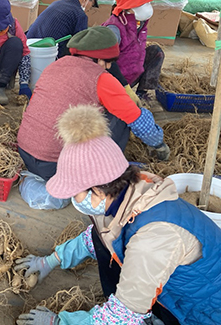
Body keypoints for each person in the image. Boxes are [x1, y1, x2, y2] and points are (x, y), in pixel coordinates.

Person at [15, 105, 221, 325]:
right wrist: (51, 261)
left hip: (200, 312)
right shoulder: (128, 190)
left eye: (75, 194)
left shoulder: (152, 239)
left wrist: (58, 322)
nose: (74, 200)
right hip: (173, 288)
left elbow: (119, 318)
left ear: (97, 190)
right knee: (99, 237)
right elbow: (98, 238)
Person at [16, 27, 168, 209]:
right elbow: (137, 120)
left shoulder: (54, 66)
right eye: (108, 62)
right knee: (121, 116)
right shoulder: (101, 79)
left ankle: (30, 180)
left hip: (25, 150)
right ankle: (104, 174)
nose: (110, 67)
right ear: (99, 59)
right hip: (56, 163)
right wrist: (159, 144)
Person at [103, 0, 163, 103]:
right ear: (128, 7)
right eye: (143, 3)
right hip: (117, 79)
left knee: (156, 52)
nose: (148, 6)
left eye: (148, 2)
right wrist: (124, 87)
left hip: (134, 70)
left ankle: (142, 94)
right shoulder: (114, 28)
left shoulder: (138, 22)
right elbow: (106, 61)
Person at [26, 0, 100, 58]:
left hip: (28, 47)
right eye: (92, 5)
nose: (90, 9)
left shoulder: (57, 3)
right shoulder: (80, 15)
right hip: (46, 54)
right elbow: (79, 45)